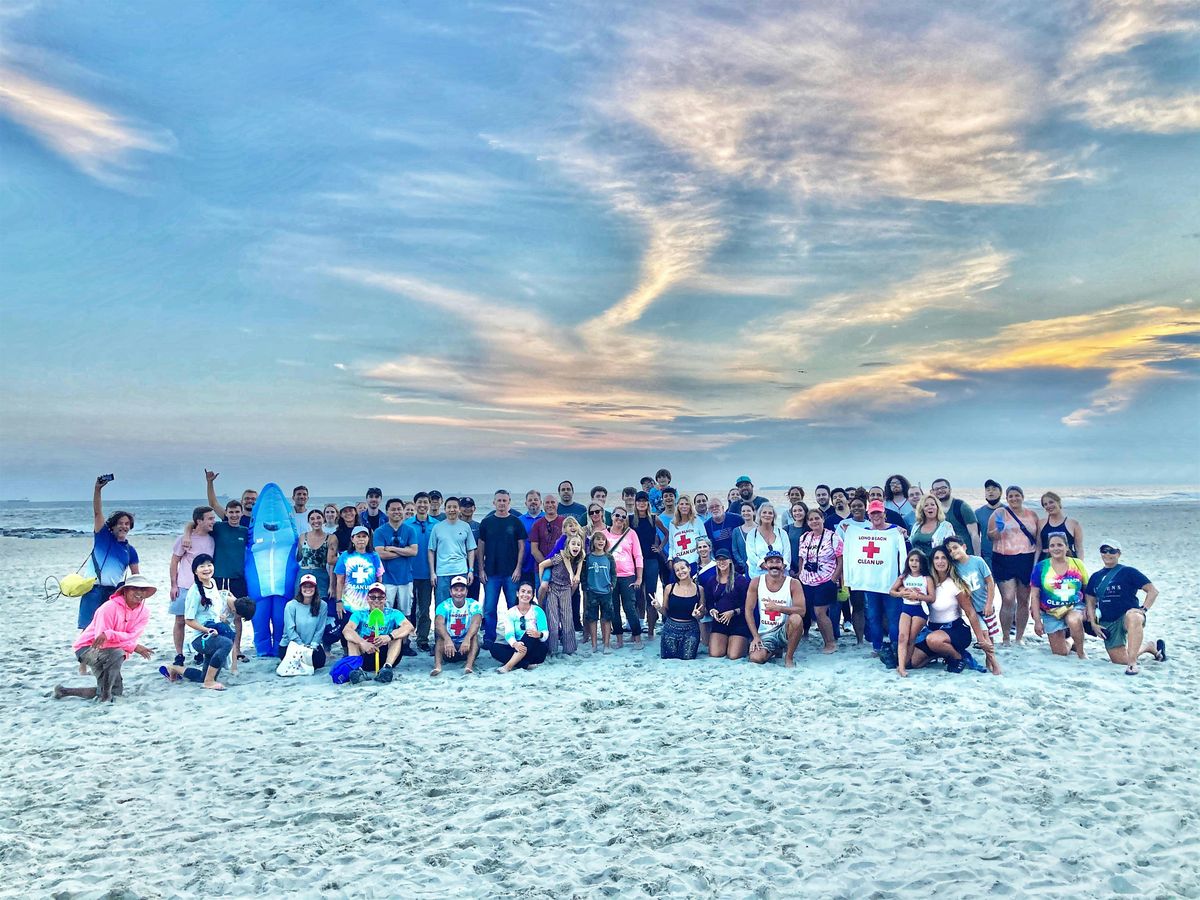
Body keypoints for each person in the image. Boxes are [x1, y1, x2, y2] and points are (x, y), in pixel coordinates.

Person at [55, 573, 155, 702]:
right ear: (125, 590)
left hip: (110, 650)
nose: (138, 592)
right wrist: (132, 646)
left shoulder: (144, 612)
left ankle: (63, 691)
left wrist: (116, 637)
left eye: (142, 589)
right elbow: (101, 640)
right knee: (118, 654)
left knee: (116, 691)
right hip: (87, 649)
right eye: (134, 588)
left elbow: (132, 636)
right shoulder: (108, 608)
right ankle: (105, 697)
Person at [161, 555, 255, 690]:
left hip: (214, 633)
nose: (207, 569)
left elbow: (215, 602)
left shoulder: (213, 583)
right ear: (195, 571)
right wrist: (206, 630)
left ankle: (174, 668)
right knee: (226, 643)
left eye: (209, 565)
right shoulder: (195, 592)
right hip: (201, 638)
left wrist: (221, 615)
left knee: (201, 676)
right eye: (202, 566)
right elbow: (188, 620)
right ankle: (209, 682)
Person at [907, 547, 999, 675]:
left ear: (949, 561)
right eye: (937, 558)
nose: (940, 561)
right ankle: (942, 654)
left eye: (944, 558)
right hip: (933, 629)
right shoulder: (927, 582)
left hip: (955, 629)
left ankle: (958, 657)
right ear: (932, 561)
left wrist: (981, 639)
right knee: (913, 662)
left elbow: (970, 613)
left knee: (933, 640)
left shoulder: (955, 584)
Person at [1085, 541, 1166, 675]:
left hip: (1127, 616)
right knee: (1120, 660)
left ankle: (1133, 664)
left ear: (1119, 554)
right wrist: (1093, 623)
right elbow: (1090, 600)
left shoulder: (1128, 572)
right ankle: (1149, 647)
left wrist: (1143, 609)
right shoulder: (1095, 577)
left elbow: (1152, 591)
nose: (1108, 554)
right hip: (1108, 621)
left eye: (1112, 551)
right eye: (1104, 550)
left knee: (1134, 617)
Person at [843, 501, 907, 661]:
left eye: (879, 513)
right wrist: (849, 532)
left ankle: (894, 646)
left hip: (890, 582)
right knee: (873, 616)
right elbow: (853, 550)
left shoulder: (894, 531)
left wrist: (903, 535)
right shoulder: (863, 532)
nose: (876, 516)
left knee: (893, 617)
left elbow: (905, 555)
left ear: (884, 514)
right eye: (873, 513)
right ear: (868, 515)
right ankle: (877, 647)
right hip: (870, 583)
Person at [78, 475, 141, 632]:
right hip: (93, 589)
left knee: (109, 630)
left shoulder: (130, 550)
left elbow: (136, 576)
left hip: (114, 593)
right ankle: (86, 656)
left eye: (127, 524)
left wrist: (137, 595)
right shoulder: (103, 538)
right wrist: (97, 489)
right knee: (89, 629)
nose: (123, 526)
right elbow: (98, 513)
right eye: (120, 523)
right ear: (112, 526)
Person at [988, 486, 1039, 645]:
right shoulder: (999, 513)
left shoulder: (1032, 515)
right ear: (1007, 498)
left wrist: (1036, 563)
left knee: (1024, 600)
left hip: (1026, 558)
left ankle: (1019, 637)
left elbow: (1037, 540)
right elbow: (991, 537)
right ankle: (1005, 638)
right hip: (1004, 558)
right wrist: (999, 529)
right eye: (1010, 496)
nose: (1014, 499)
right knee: (1008, 599)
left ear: (1022, 497)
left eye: (1017, 495)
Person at [478, 489, 528, 645]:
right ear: (494, 502)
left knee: (513, 606)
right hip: (491, 573)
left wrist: (518, 568)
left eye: (504, 500)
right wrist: (481, 569)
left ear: (509, 502)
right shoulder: (486, 522)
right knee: (490, 608)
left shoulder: (516, 522)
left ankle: (515, 636)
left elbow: (522, 547)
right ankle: (489, 637)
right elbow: (481, 547)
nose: (501, 503)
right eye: (499, 500)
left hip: (511, 573)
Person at [169, 506, 216, 665]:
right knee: (180, 620)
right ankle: (179, 654)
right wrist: (173, 585)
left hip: (204, 588)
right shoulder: (184, 540)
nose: (213, 521)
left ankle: (200, 652)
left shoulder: (212, 538)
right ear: (199, 521)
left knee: (202, 621)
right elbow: (174, 561)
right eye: (209, 519)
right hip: (184, 586)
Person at [1029, 534, 1089, 658]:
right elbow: (1034, 596)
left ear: (1067, 547)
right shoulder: (1040, 567)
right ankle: (1072, 640)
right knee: (1060, 652)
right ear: (1048, 549)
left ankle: (1081, 652)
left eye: (1060, 545)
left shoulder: (1078, 564)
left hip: (1074, 606)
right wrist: (1037, 621)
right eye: (1052, 545)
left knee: (1073, 620)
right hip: (1051, 612)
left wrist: (1090, 610)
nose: (1056, 548)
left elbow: (1087, 589)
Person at [342, 583, 413, 684]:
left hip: (385, 654)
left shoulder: (394, 613)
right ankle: (357, 670)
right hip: (365, 653)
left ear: (385, 599)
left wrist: (389, 636)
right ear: (367, 598)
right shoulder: (359, 614)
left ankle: (387, 668)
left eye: (380, 597)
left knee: (397, 637)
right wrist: (362, 642)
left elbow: (409, 626)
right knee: (352, 639)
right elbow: (347, 630)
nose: (376, 600)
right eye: (373, 597)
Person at [746, 550, 806, 667]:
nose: (774, 565)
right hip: (766, 631)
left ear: (783, 565)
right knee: (756, 658)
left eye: (778, 562)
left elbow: (802, 611)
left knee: (796, 619)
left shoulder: (793, 583)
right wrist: (755, 636)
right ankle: (774, 649)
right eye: (770, 562)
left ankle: (788, 657)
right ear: (765, 565)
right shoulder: (756, 582)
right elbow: (748, 610)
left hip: (786, 628)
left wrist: (778, 608)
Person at [196, 469, 249, 598]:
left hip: (238, 579)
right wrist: (210, 483)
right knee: (218, 613)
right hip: (218, 577)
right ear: (226, 513)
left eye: (237, 512)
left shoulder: (246, 531)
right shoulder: (218, 527)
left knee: (237, 615)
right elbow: (212, 505)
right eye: (231, 512)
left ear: (241, 513)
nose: (234, 515)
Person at [796, 508, 843, 653]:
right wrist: (799, 574)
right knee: (807, 611)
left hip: (825, 580)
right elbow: (801, 558)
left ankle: (830, 643)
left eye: (817, 518)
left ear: (823, 519)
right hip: (806, 580)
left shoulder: (833, 537)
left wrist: (833, 579)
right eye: (811, 519)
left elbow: (841, 560)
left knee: (820, 612)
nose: (814, 521)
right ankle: (805, 636)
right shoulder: (804, 537)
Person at [374, 498, 419, 646]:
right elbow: (380, 553)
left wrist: (392, 548)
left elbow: (414, 551)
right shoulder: (380, 531)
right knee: (386, 612)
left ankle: (405, 643)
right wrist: (403, 551)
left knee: (405, 612)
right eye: (393, 509)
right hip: (387, 578)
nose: (396, 512)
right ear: (387, 511)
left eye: (399, 509)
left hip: (406, 578)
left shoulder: (409, 530)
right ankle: (385, 642)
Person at [944, 535, 997, 644]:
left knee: (990, 637)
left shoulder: (978, 561)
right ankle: (990, 655)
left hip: (985, 605)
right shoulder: (954, 568)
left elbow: (990, 582)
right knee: (984, 633)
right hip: (972, 609)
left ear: (964, 547)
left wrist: (989, 603)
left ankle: (990, 658)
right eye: (949, 551)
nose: (953, 552)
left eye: (955, 547)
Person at [605, 506, 644, 649]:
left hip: (628, 576)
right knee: (613, 608)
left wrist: (639, 578)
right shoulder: (604, 534)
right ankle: (619, 639)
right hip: (610, 577)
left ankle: (637, 638)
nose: (619, 519)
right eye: (617, 515)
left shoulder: (631, 533)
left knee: (630, 607)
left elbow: (638, 555)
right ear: (611, 516)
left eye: (623, 516)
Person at [538, 533, 584, 656]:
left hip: (565, 589)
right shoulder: (559, 557)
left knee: (567, 619)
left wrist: (570, 591)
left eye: (578, 544)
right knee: (552, 619)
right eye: (573, 543)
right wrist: (543, 582)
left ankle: (569, 649)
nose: (576, 546)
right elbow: (541, 565)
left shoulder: (578, 559)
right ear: (567, 545)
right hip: (553, 587)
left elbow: (575, 581)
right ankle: (552, 649)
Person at [700, 549, 751, 660]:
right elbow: (709, 602)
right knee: (715, 654)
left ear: (730, 561)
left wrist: (733, 612)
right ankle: (728, 642)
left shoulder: (741, 581)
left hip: (738, 621)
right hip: (720, 622)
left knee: (733, 655)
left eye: (724, 559)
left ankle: (742, 643)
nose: (721, 562)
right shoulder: (712, 581)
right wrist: (712, 610)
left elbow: (748, 605)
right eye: (719, 560)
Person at [889, 551, 933, 677]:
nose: (914, 563)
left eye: (917, 560)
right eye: (911, 560)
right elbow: (892, 591)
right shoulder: (904, 577)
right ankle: (901, 666)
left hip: (920, 609)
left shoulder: (926, 578)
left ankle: (907, 662)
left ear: (922, 563)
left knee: (911, 637)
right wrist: (900, 594)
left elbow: (932, 597)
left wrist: (917, 596)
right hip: (906, 608)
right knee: (902, 637)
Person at [333, 526, 384, 634]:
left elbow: (379, 580)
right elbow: (339, 580)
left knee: (367, 634)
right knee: (347, 633)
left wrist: (378, 600)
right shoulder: (345, 556)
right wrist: (339, 601)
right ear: (352, 539)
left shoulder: (374, 556)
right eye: (358, 536)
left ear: (368, 539)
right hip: (349, 605)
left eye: (364, 536)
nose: (361, 539)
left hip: (369, 604)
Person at [429, 497, 477, 605]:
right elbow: (431, 550)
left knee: (460, 605)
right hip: (442, 573)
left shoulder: (465, 527)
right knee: (441, 606)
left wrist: (471, 570)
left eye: (455, 507)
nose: (452, 510)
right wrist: (432, 573)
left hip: (461, 571)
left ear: (459, 509)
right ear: (445, 509)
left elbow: (470, 550)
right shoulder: (437, 527)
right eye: (449, 507)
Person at [405, 492, 437, 652]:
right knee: (408, 609)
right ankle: (405, 640)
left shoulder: (436, 525)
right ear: (415, 503)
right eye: (420, 502)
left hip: (428, 574)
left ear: (430, 504)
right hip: (409, 574)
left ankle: (422, 639)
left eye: (425, 502)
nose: (423, 505)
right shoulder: (407, 524)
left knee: (425, 608)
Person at [656, 558, 705, 660]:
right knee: (669, 659)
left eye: (683, 568)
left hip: (691, 629)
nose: (680, 572)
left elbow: (702, 613)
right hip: (670, 628)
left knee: (688, 659)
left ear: (689, 568)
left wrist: (698, 615)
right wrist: (658, 607)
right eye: (677, 570)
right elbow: (666, 612)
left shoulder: (699, 589)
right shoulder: (669, 588)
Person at [492, 583, 549, 672]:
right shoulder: (510, 612)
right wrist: (515, 644)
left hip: (535, 649)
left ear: (532, 595)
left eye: (529, 592)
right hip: (518, 647)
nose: (525, 595)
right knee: (493, 648)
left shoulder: (538, 611)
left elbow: (545, 634)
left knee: (529, 633)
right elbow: (509, 634)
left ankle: (508, 666)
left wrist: (539, 634)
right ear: (517, 593)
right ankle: (525, 665)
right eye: (523, 591)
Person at [432, 575, 482, 675]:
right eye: (456, 590)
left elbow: (476, 623)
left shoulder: (474, 604)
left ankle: (469, 666)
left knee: (475, 637)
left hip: (466, 646)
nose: (459, 593)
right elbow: (438, 624)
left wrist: (467, 639)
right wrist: (447, 639)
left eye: (462, 590)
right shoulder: (444, 605)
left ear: (466, 592)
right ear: (450, 592)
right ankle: (437, 666)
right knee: (440, 638)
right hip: (448, 648)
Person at [279, 574, 331, 671]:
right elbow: (290, 629)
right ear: (300, 588)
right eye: (305, 586)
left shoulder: (323, 605)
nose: (308, 589)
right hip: (292, 645)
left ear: (315, 588)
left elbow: (320, 628)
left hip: (311, 646)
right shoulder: (290, 605)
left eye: (310, 586)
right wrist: (301, 646)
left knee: (319, 663)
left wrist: (313, 645)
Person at [630, 491, 662, 638]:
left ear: (648, 503)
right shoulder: (630, 520)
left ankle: (650, 631)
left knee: (651, 595)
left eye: (644, 501)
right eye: (639, 501)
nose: (641, 503)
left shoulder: (654, 518)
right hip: (635, 561)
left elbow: (666, 534)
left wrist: (660, 547)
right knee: (636, 596)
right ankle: (637, 628)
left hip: (651, 560)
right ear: (635, 503)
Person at [584, 531, 617, 652]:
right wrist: (586, 587)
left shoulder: (609, 557)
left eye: (602, 539)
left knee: (607, 618)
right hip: (592, 592)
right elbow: (584, 574)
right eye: (597, 539)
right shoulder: (588, 557)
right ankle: (594, 645)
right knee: (592, 619)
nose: (600, 541)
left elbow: (613, 573)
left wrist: (612, 585)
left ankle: (606, 644)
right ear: (593, 542)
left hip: (606, 592)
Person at [929, 478, 980, 555]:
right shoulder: (934, 510)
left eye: (943, 488)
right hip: (946, 558)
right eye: (936, 489)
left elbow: (974, 534)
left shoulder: (962, 507)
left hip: (965, 555)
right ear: (932, 492)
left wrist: (978, 557)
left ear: (950, 489)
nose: (940, 491)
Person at [296, 509, 335, 602]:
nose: (315, 521)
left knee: (320, 605)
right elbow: (298, 557)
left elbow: (331, 564)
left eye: (318, 518)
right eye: (312, 519)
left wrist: (331, 586)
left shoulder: (331, 538)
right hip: (303, 573)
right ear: (308, 521)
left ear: (323, 519)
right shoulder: (302, 537)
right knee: (301, 603)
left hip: (321, 575)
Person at [745, 502, 791, 578]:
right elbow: (751, 555)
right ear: (759, 515)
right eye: (764, 512)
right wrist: (766, 566)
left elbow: (787, 553)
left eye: (770, 513)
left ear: (774, 516)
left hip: (780, 575)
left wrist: (779, 567)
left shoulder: (782, 533)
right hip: (758, 576)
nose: (767, 515)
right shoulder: (752, 534)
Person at [1037, 491, 1084, 561]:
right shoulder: (1041, 523)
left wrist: (1081, 566)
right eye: (1045, 504)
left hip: (1068, 561)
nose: (1048, 506)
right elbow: (1038, 548)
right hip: (1046, 562)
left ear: (1058, 502)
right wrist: (1034, 566)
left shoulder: (1073, 524)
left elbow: (1079, 548)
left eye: (1051, 502)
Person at [666, 494, 704, 580]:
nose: (684, 506)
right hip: (679, 564)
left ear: (690, 506)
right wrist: (670, 558)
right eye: (681, 504)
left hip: (695, 561)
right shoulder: (672, 524)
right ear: (677, 506)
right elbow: (672, 545)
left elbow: (705, 540)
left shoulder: (697, 520)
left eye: (687, 504)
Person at [909, 493, 955, 560]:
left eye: (933, 504)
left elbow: (952, 548)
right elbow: (910, 543)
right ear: (922, 509)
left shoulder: (946, 526)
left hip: (936, 566)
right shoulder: (916, 526)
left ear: (937, 508)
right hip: (918, 566)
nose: (930, 507)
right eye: (926, 505)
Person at [529, 493, 565, 572]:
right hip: (541, 569)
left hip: (561, 570)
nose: (550, 505)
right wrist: (546, 564)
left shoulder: (565, 522)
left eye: (553, 502)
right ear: (543, 505)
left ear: (557, 504)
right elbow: (534, 550)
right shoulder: (537, 524)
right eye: (547, 502)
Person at [976, 479, 1003, 567]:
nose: (990, 492)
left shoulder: (1008, 511)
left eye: (994, 489)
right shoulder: (978, 513)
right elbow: (975, 536)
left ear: (1000, 492)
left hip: (1005, 555)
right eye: (988, 490)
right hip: (986, 557)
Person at [519, 489, 544, 582]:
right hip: (524, 566)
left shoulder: (547, 518)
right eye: (530, 500)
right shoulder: (519, 521)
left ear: (540, 502)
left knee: (542, 595)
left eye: (536, 500)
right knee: (523, 595)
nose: (533, 502)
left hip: (542, 566)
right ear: (526, 503)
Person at [782, 501, 809, 577]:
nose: (797, 513)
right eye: (794, 511)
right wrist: (788, 568)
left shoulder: (810, 528)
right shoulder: (786, 529)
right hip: (791, 567)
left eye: (800, 510)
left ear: (805, 511)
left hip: (807, 568)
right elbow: (783, 550)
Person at [730, 501, 756, 577]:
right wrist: (743, 564)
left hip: (759, 567)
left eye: (748, 510)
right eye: (743, 511)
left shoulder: (760, 528)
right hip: (745, 568)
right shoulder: (736, 531)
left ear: (753, 512)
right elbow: (735, 550)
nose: (746, 513)